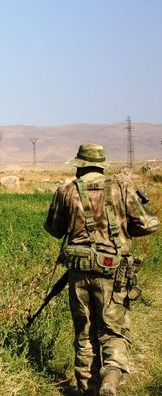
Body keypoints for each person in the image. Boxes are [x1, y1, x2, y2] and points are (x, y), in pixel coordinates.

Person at [44, 143, 159, 396]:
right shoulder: (121, 188)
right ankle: (111, 379)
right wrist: (126, 228)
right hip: (113, 274)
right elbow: (149, 224)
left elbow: (54, 229)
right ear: (101, 164)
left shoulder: (66, 190)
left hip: (78, 273)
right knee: (113, 331)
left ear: (79, 165)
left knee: (84, 334)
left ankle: (88, 390)